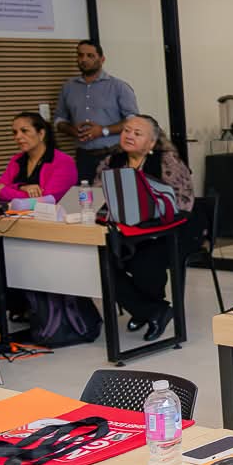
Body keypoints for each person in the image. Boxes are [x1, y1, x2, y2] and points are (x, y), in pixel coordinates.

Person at [93, 114, 193, 341]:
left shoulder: (167, 162)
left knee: (144, 261)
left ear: (151, 143)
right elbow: (101, 196)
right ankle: (150, 310)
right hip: (126, 231)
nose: (129, 135)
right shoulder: (112, 161)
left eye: (137, 133)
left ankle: (146, 310)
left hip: (170, 232)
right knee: (102, 262)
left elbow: (183, 203)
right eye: (127, 130)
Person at [55, 39, 139, 182]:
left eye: (90, 56)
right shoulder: (68, 87)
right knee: (86, 199)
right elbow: (59, 120)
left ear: (102, 59)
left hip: (114, 154)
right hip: (83, 156)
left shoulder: (118, 87)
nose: (84, 60)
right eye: (80, 55)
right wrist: (72, 130)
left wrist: (103, 130)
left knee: (115, 198)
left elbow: (133, 121)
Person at [0, 111, 78, 203]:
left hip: (51, 215)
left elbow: (45, 200)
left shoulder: (63, 162)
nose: (17, 137)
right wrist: (21, 187)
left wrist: (3, 191)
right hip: (14, 215)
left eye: (24, 131)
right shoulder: (17, 160)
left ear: (41, 134)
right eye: (15, 132)